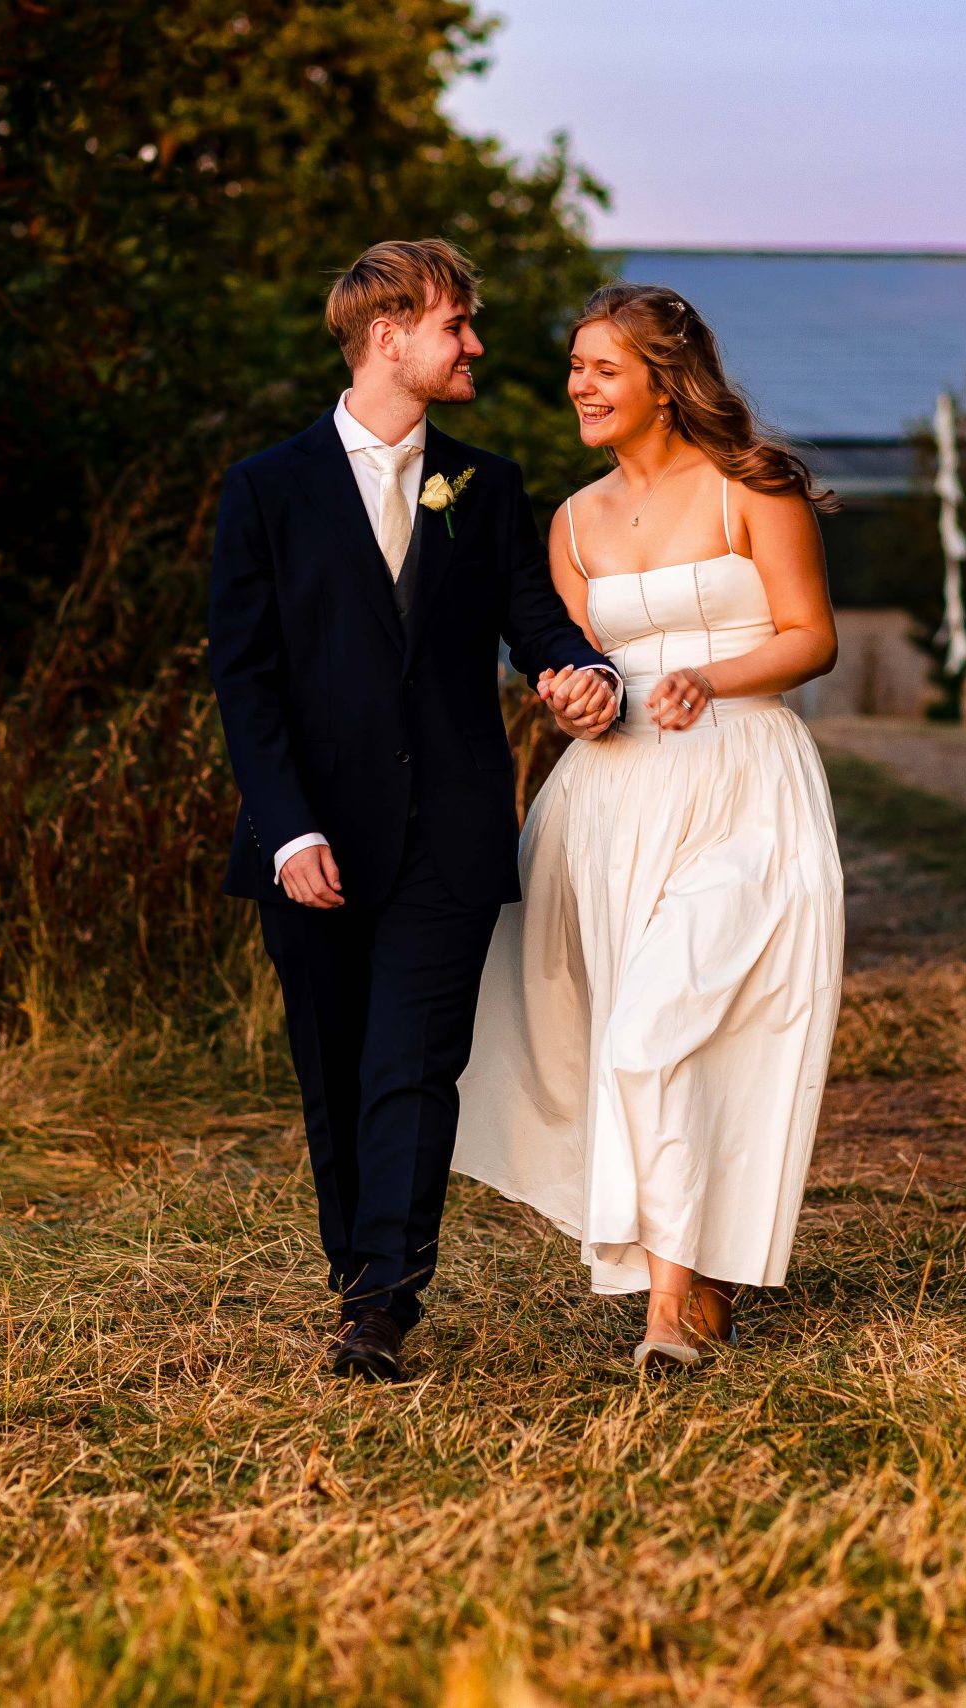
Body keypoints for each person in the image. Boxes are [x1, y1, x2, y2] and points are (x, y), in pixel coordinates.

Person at [206, 240, 623, 1382]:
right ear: (387, 336)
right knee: (334, 1067)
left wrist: (583, 673)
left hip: (449, 828)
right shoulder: (266, 488)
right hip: (313, 839)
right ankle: (355, 1275)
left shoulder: (482, 486)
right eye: (456, 325)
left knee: (413, 1063)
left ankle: (384, 1302)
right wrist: (288, 829)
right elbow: (244, 677)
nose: (475, 344)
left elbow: (534, 623)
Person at [454, 282, 846, 1375]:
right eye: (575, 367)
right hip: (611, 798)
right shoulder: (570, 520)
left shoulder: (751, 487)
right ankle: (684, 1283)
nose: (578, 385)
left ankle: (674, 1304)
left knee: (665, 1023)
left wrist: (706, 679)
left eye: (601, 369)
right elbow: (567, 659)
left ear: (663, 385)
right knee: (633, 1036)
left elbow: (810, 638)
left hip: (739, 780)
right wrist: (568, 696)